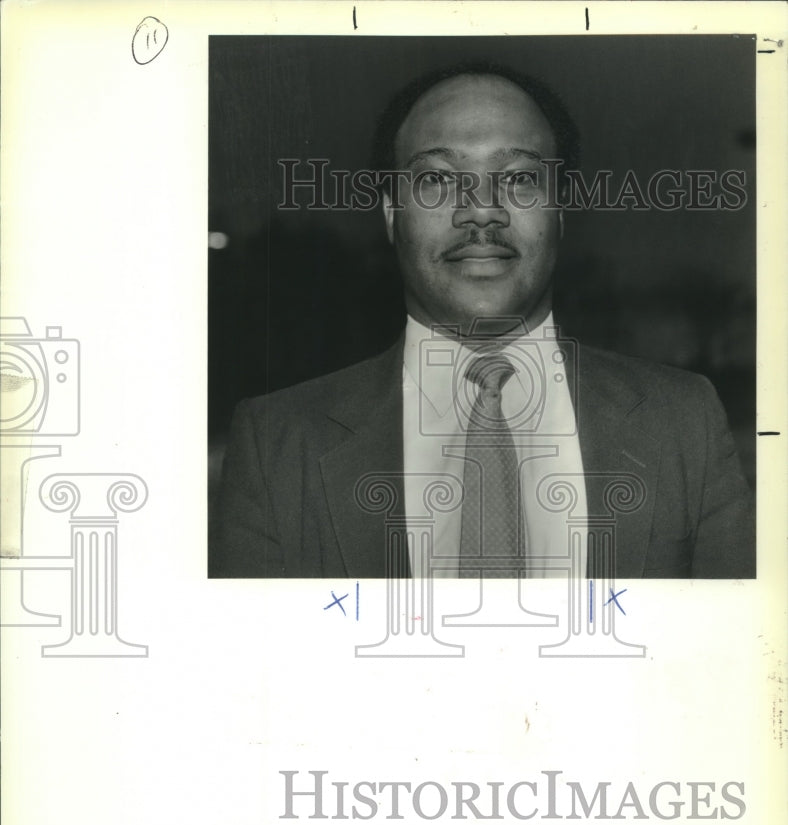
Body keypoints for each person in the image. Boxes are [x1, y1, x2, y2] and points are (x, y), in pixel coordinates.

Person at [212, 63, 755, 579]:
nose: (481, 209)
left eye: (519, 177)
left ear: (560, 210)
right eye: (437, 180)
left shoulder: (686, 423)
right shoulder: (276, 444)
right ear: (390, 214)